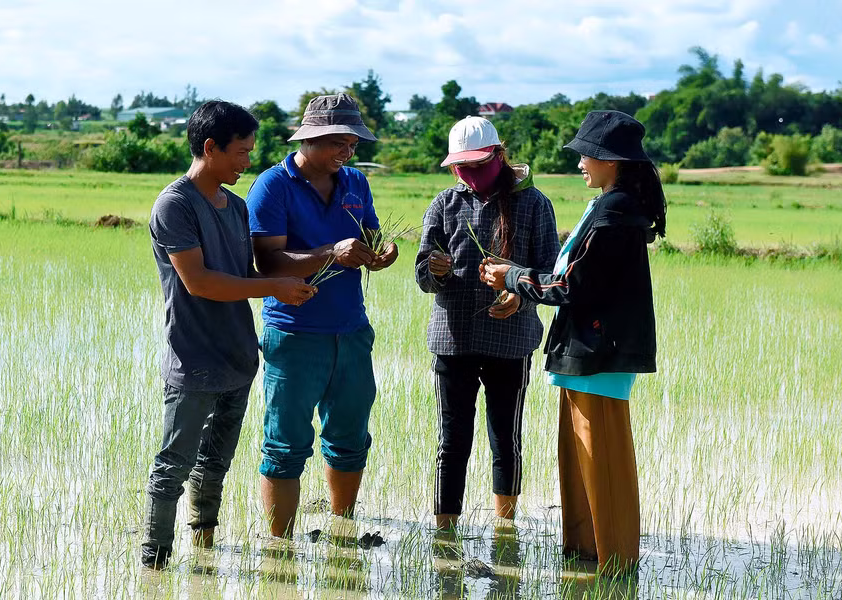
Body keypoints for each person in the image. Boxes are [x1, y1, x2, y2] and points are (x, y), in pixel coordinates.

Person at [480, 110, 666, 577]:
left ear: (611, 160)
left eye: (587, 155)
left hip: (598, 354)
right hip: (586, 352)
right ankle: (586, 561)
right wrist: (518, 276)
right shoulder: (609, 205)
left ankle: (616, 567)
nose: (580, 162)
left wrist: (513, 277)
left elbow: (570, 286)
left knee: (602, 465)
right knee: (580, 462)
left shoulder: (614, 212)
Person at [142, 100, 317, 569]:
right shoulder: (175, 205)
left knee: (215, 462)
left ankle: (204, 546)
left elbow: (245, 275)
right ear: (210, 147)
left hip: (238, 357)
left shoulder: (237, 207)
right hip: (193, 359)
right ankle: (154, 563)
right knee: (173, 467)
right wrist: (274, 287)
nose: (247, 162)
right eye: (241, 152)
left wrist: (301, 275)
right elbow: (200, 282)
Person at [245, 93, 398, 537]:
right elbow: (267, 262)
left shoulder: (355, 182)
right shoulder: (273, 185)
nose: (347, 152)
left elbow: (369, 237)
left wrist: (381, 252)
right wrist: (332, 252)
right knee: (285, 444)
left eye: (352, 144)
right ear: (308, 139)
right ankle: (280, 548)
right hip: (295, 333)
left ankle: (343, 530)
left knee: (350, 437)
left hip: (351, 330)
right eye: (337, 143)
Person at [415, 116, 560, 530]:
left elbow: (550, 273)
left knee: (505, 440)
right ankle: (445, 531)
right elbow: (423, 276)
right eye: (462, 167)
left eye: (478, 165)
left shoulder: (534, 204)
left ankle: (505, 528)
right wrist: (436, 269)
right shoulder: (445, 204)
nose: (470, 174)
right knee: (452, 441)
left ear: (499, 156)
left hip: (510, 342)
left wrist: (520, 296)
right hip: (453, 340)